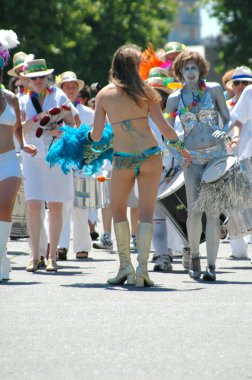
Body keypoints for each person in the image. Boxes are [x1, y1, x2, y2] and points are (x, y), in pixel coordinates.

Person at [89, 44, 191, 287]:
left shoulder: (103, 95)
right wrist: (183, 151)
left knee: (117, 210)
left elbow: (95, 136)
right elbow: (165, 129)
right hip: (150, 155)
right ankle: (143, 270)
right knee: (146, 212)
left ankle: (125, 266)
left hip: (123, 157)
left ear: (115, 66)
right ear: (136, 67)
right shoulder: (147, 92)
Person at [166, 50, 232, 281]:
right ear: (180, 72)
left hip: (215, 156)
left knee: (214, 212)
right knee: (194, 210)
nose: (191, 72)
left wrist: (223, 132)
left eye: (194, 67)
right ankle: (195, 256)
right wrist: (178, 153)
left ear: (201, 69)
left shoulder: (213, 90)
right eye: (186, 68)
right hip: (191, 158)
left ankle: (212, 266)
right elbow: (167, 132)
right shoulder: (175, 98)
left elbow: (229, 117)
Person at [19, 59, 75, 272]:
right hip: (33, 157)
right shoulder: (22, 100)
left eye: (42, 77)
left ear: (47, 77)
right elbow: (21, 130)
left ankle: (53, 256)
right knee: (33, 206)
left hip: (56, 155)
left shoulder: (58, 96)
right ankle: (35, 256)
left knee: (55, 206)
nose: (39, 81)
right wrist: (38, 119)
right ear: (28, 80)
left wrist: (56, 130)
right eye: (34, 78)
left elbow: (72, 124)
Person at [0, 29, 37, 281]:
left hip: (9, 160)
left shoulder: (12, 98)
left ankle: (1, 254)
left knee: (4, 208)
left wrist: (23, 145)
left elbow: (17, 130)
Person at [56, 70, 93, 260]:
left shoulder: (89, 113)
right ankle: (60, 245)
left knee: (81, 205)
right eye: (66, 86)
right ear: (61, 89)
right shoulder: (55, 110)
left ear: (78, 89)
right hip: (62, 162)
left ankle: (82, 246)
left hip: (83, 163)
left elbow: (98, 138)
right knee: (61, 203)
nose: (70, 89)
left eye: (73, 86)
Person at [225, 66, 252, 259]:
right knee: (236, 204)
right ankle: (239, 248)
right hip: (241, 158)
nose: (241, 86)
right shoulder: (228, 104)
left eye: (246, 82)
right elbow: (237, 122)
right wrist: (233, 140)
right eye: (237, 82)